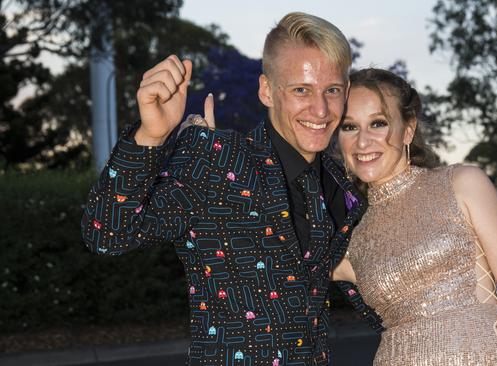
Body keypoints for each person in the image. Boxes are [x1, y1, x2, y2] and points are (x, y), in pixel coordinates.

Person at [81, 12, 381, 366]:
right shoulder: (217, 160)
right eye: (301, 89)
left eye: (331, 90)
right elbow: (107, 233)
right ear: (267, 90)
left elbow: (377, 298)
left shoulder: (339, 182)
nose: (320, 108)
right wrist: (151, 136)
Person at [333, 68, 497, 365]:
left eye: (378, 123)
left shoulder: (461, 183)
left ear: (408, 129)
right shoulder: (350, 236)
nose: (362, 141)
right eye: (349, 127)